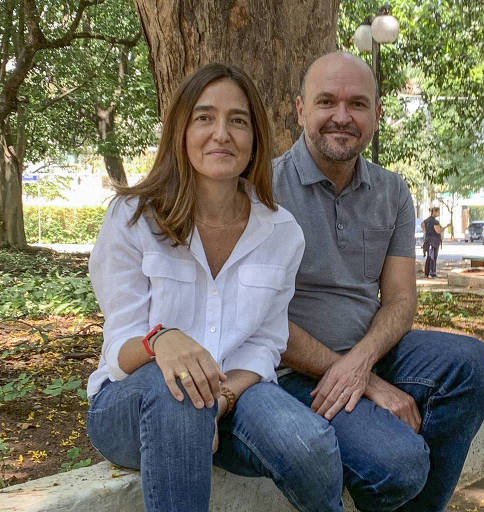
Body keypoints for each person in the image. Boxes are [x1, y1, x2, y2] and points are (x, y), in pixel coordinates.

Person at [86, 63, 344, 512]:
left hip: (233, 394)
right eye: (204, 117)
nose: (221, 133)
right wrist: (161, 342)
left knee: (307, 442)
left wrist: (221, 403)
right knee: (180, 394)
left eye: (237, 121)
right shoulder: (132, 217)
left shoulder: (282, 232)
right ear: (181, 131)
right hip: (130, 403)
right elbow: (119, 353)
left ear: (254, 138)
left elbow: (264, 345)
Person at [273, 52, 484, 512]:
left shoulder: (393, 192)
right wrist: (367, 382)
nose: (342, 116)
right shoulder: (263, 189)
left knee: (474, 364)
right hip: (289, 373)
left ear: (377, 115)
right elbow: (258, 320)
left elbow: (399, 300)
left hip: (372, 353)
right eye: (326, 102)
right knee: (400, 465)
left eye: (357, 104)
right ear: (300, 109)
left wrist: (362, 364)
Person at [421, 207, 443, 278]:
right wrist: (443, 228)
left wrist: (426, 232)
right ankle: (432, 272)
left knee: (429, 257)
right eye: (437, 212)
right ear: (434, 212)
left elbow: (422, 225)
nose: (438, 213)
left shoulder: (426, 220)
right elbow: (438, 231)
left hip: (428, 241)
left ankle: (427, 273)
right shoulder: (436, 222)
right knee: (433, 257)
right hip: (434, 242)